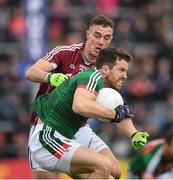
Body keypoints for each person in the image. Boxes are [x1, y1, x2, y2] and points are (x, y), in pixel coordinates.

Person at [29, 47, 149, 179]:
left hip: (66, 136)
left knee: (113, 173)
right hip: (48, 137)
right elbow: (80, 106)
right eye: (121, 70)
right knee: (103, 164)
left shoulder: (106, 88)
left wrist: (133, 133)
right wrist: (114, 115)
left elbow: (121, 111)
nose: (125, 76)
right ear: (105, 70)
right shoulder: (92, 76)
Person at [26, 15, 121, 179]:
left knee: (114, 172)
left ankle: (68, 162)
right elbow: (31, 72)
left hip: (78, 127)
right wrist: (51, 78)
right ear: (87, 34)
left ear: (111, 39)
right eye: (97, 35)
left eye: (106, 38)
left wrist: (133, 132)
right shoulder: (65, 53)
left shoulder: (106, 68)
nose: (101, 42)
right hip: (49, 124)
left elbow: (112, 103)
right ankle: (65, 162)